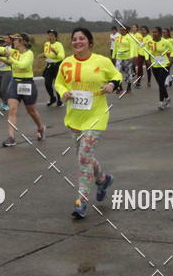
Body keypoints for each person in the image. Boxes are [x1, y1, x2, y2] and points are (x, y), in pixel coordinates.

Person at [55, 27, 122, 219]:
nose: (77, 42)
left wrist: (111, 85)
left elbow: (117, 76)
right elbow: (59, 83)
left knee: (83, 158)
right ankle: (103, 179)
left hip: (96, 116)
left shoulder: (102, 61)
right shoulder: (66, 63)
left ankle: (81, 201)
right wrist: (63, 92)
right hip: (74, 118)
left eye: (82, 39)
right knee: (85, 157)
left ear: (89, 42)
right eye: (74, 39)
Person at [2, 33, 45, 146]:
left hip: (27, 83)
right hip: (15, 82)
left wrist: (9, 58)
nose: (13, 42)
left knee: (31, 110)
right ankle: (11, 137)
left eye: (15, 40)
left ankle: (40, 127)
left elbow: (23, 65)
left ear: (22, 41)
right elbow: (1, 51)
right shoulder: (14, 52)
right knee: (12, 109)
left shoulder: (29, 54)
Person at [148, 26, 173, 109]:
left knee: (161, 83)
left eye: (155, 32)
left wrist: (171, 61)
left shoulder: (166, 42)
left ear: (160, 33)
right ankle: (167, 98)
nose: (154, 34)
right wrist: (147, 59)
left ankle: (161, 102)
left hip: (164, 65)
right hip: (155, 65)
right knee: (160, 84)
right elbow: (147, 51)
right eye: (153, 32)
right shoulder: (150, 42)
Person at [41, 29, 65, 106]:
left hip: (57, 65)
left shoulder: (58, 44)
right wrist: (43, 55)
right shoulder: (46, 44)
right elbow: (47, 54)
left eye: (51, 35)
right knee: (47, 83)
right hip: (49, 65)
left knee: (56, 84)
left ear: (55, 37)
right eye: (48, 35)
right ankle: (52, 98)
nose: (49, 37)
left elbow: (62, 57)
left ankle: (59, 100)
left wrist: (56, 52)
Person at [0, 35, 12, 111]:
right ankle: (6, 101)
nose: (0, 44)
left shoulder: (7, 50)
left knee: (3, 90)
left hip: (6, 71)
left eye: (2, 42)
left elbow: (10, 63)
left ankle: (6, 103)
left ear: (4, 43)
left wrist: (3, 59)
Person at [112, 24, 132, 93]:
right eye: (120, 30)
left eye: (123, 30)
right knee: (117, 72)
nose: (122, 31)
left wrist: (131, 56)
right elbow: (115, 47)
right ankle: (120, 88)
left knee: (128, 73)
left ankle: (129, 87)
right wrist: (113, 56)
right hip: (119, 57)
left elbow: (132, 47)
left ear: (126, 30)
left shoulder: (129, 37)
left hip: (127, 58)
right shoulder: (117, 37)